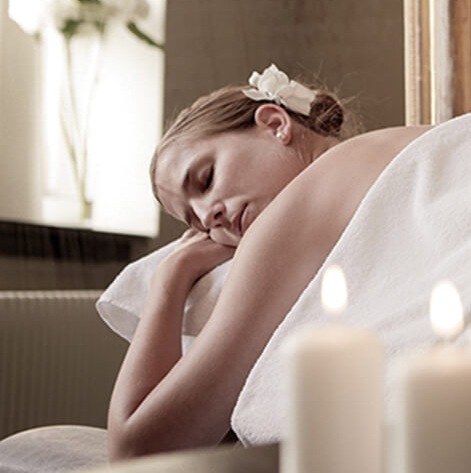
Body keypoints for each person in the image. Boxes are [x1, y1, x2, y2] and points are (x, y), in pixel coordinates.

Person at [106, 65, 430, 460]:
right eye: (195, 223)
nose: (209, 217)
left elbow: (136, 446)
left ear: (276, 123)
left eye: (206, 179)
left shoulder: (294, 213)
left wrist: (168, 281)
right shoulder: (411, 140)